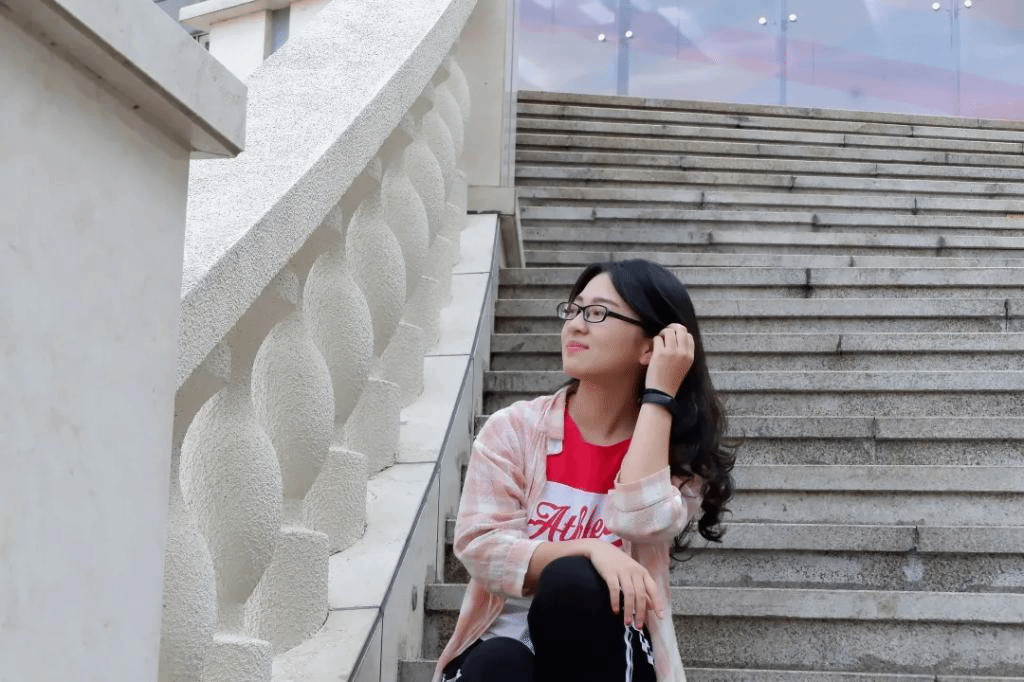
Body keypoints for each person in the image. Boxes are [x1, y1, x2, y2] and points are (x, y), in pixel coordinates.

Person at [433, 259, 735, 682]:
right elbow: (480, 546)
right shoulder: (515, 429)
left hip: (610, 648)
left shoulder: (673, 454)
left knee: (574, 584)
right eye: (573, 310)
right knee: (499, 660)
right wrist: (591, 548)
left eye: (598, 313)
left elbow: (643, 522)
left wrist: (660, 396)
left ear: (651, 347)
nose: (575, 325)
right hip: (502, 648)